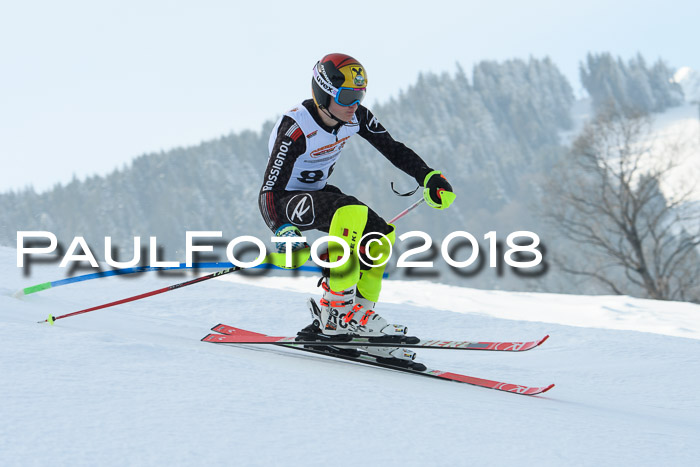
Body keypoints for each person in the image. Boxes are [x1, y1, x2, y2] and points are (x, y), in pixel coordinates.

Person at [258, 53, 454, 362]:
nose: (354, 104)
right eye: (347, 96)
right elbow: (268, 192)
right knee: (351, 211)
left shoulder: (355, 117)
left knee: (381, 234)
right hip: (286, 201)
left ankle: (359, 317)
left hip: (319, 193)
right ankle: (337, 312)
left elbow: (392, 148)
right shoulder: (296, 127)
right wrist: (282, 231)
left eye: (359, 95)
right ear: (324, 93)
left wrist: (428, 176)